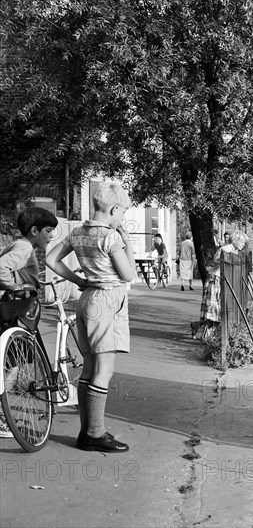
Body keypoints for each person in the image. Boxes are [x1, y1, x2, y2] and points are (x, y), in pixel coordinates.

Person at [46, 182, 135, 453]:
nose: (122, 219)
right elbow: (129, 275)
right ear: (114, 208)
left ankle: (87, 433)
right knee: (104, 370)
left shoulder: (77, 232)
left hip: (87, 300)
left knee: (88, 368)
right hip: (107, 302)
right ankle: (95, 434)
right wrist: (127, 243)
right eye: (123, 213)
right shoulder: (111, 237)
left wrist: (78, 280)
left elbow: (51, 260)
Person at [0, 207, 59, 438]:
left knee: (13, 363)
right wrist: (14, 287)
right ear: (34, 230)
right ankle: (3, 416)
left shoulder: (21, 246)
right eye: (48, 230)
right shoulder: (24, 247)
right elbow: (2, 269)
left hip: (15, 312)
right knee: (12, 362)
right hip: (13, 312)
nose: (51, 236)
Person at [198, 230, 248, 335]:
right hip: (216, 278)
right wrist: (225, 260)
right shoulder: (226, 249)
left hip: (222, 279)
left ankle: (205, 331)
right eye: (242, 242)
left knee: (217, 308)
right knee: (214, 308)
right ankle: (207, 335)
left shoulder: (234, 250)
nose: (244, 245)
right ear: (235, 240)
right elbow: (215, 261)